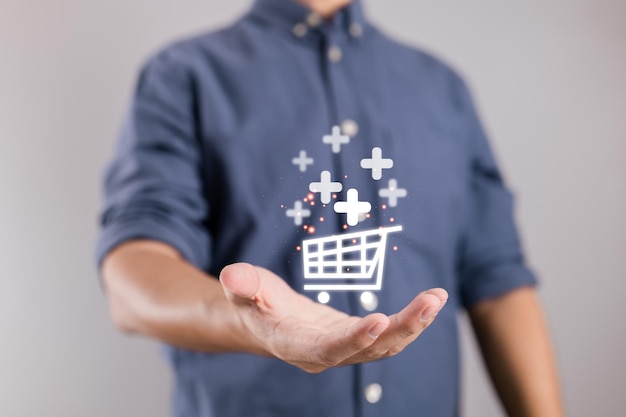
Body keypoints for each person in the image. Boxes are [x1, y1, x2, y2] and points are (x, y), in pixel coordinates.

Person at [97, 0, 564, 415]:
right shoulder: (184, 74)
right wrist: (246, 321)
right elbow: (136, 270)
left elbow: (499, 283)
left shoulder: (443, 89)